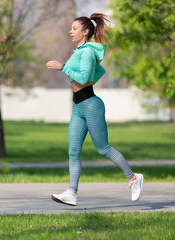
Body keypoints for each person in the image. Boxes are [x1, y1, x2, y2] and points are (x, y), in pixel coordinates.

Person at [46, 13, 143, 206]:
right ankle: (72, 192)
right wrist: (75, 72)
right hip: (78, 107)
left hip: (91, 105)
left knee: (103, 148)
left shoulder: (88, 52)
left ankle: (134, 179)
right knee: (73, 151)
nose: (70, 31)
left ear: (85, 31)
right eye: (71, 28)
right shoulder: (79, 50)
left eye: (74, 28)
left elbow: (83, 79)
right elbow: (99, 71)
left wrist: (62, 67)